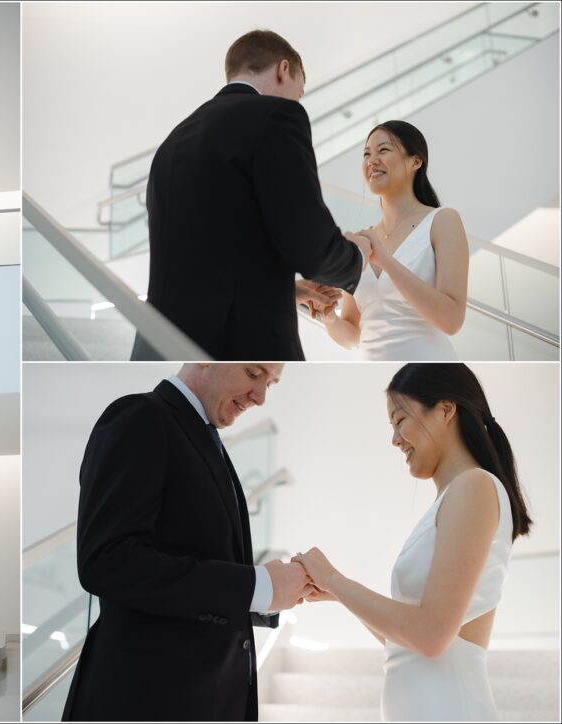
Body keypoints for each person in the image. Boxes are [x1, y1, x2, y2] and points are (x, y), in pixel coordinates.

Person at [63, 363, 312, 721]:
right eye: (254, 374)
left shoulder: (202, 434)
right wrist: (257, 586)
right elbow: (106, 561)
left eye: (271, 383)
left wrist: (271, 596)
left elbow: (197, 565)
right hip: (145, 704)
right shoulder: (140, 417)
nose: (260, 397)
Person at [292, 363, 532, 721]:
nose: (394, 439)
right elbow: (408, 642)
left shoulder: (475, 486)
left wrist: (335, 581)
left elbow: (431, 636)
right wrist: (338, 592)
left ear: (445, 410)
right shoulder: (455, 497)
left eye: (399, 420)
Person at [130, 30, 369, 361]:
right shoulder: (277, 116)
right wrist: (357, 259)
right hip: (243, 346)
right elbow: (312, 248)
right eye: (298, 93)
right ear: (283, 70)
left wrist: (286, 291)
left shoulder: (172, 143)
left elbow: (211, 258)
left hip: (159, 344)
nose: (296, 103)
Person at [309, 122, 469, 360]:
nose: (371, 160)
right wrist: (329, 316)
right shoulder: (363, 241)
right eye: (366, 154)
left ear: (415, 162)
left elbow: (451, 320)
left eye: (383, 150)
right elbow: (353, 335)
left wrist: (385, 260)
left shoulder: (442, 221)